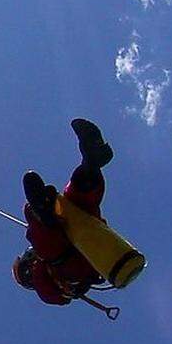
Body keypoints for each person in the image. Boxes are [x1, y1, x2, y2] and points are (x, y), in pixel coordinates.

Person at [12, 119, 114, 306]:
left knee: (77, 202)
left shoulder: (52, 269)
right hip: (78, 253)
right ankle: (43, 213)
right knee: (46, 234)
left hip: (84, 239)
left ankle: (91, 162)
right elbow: (49, 291)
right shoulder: (46, 279)